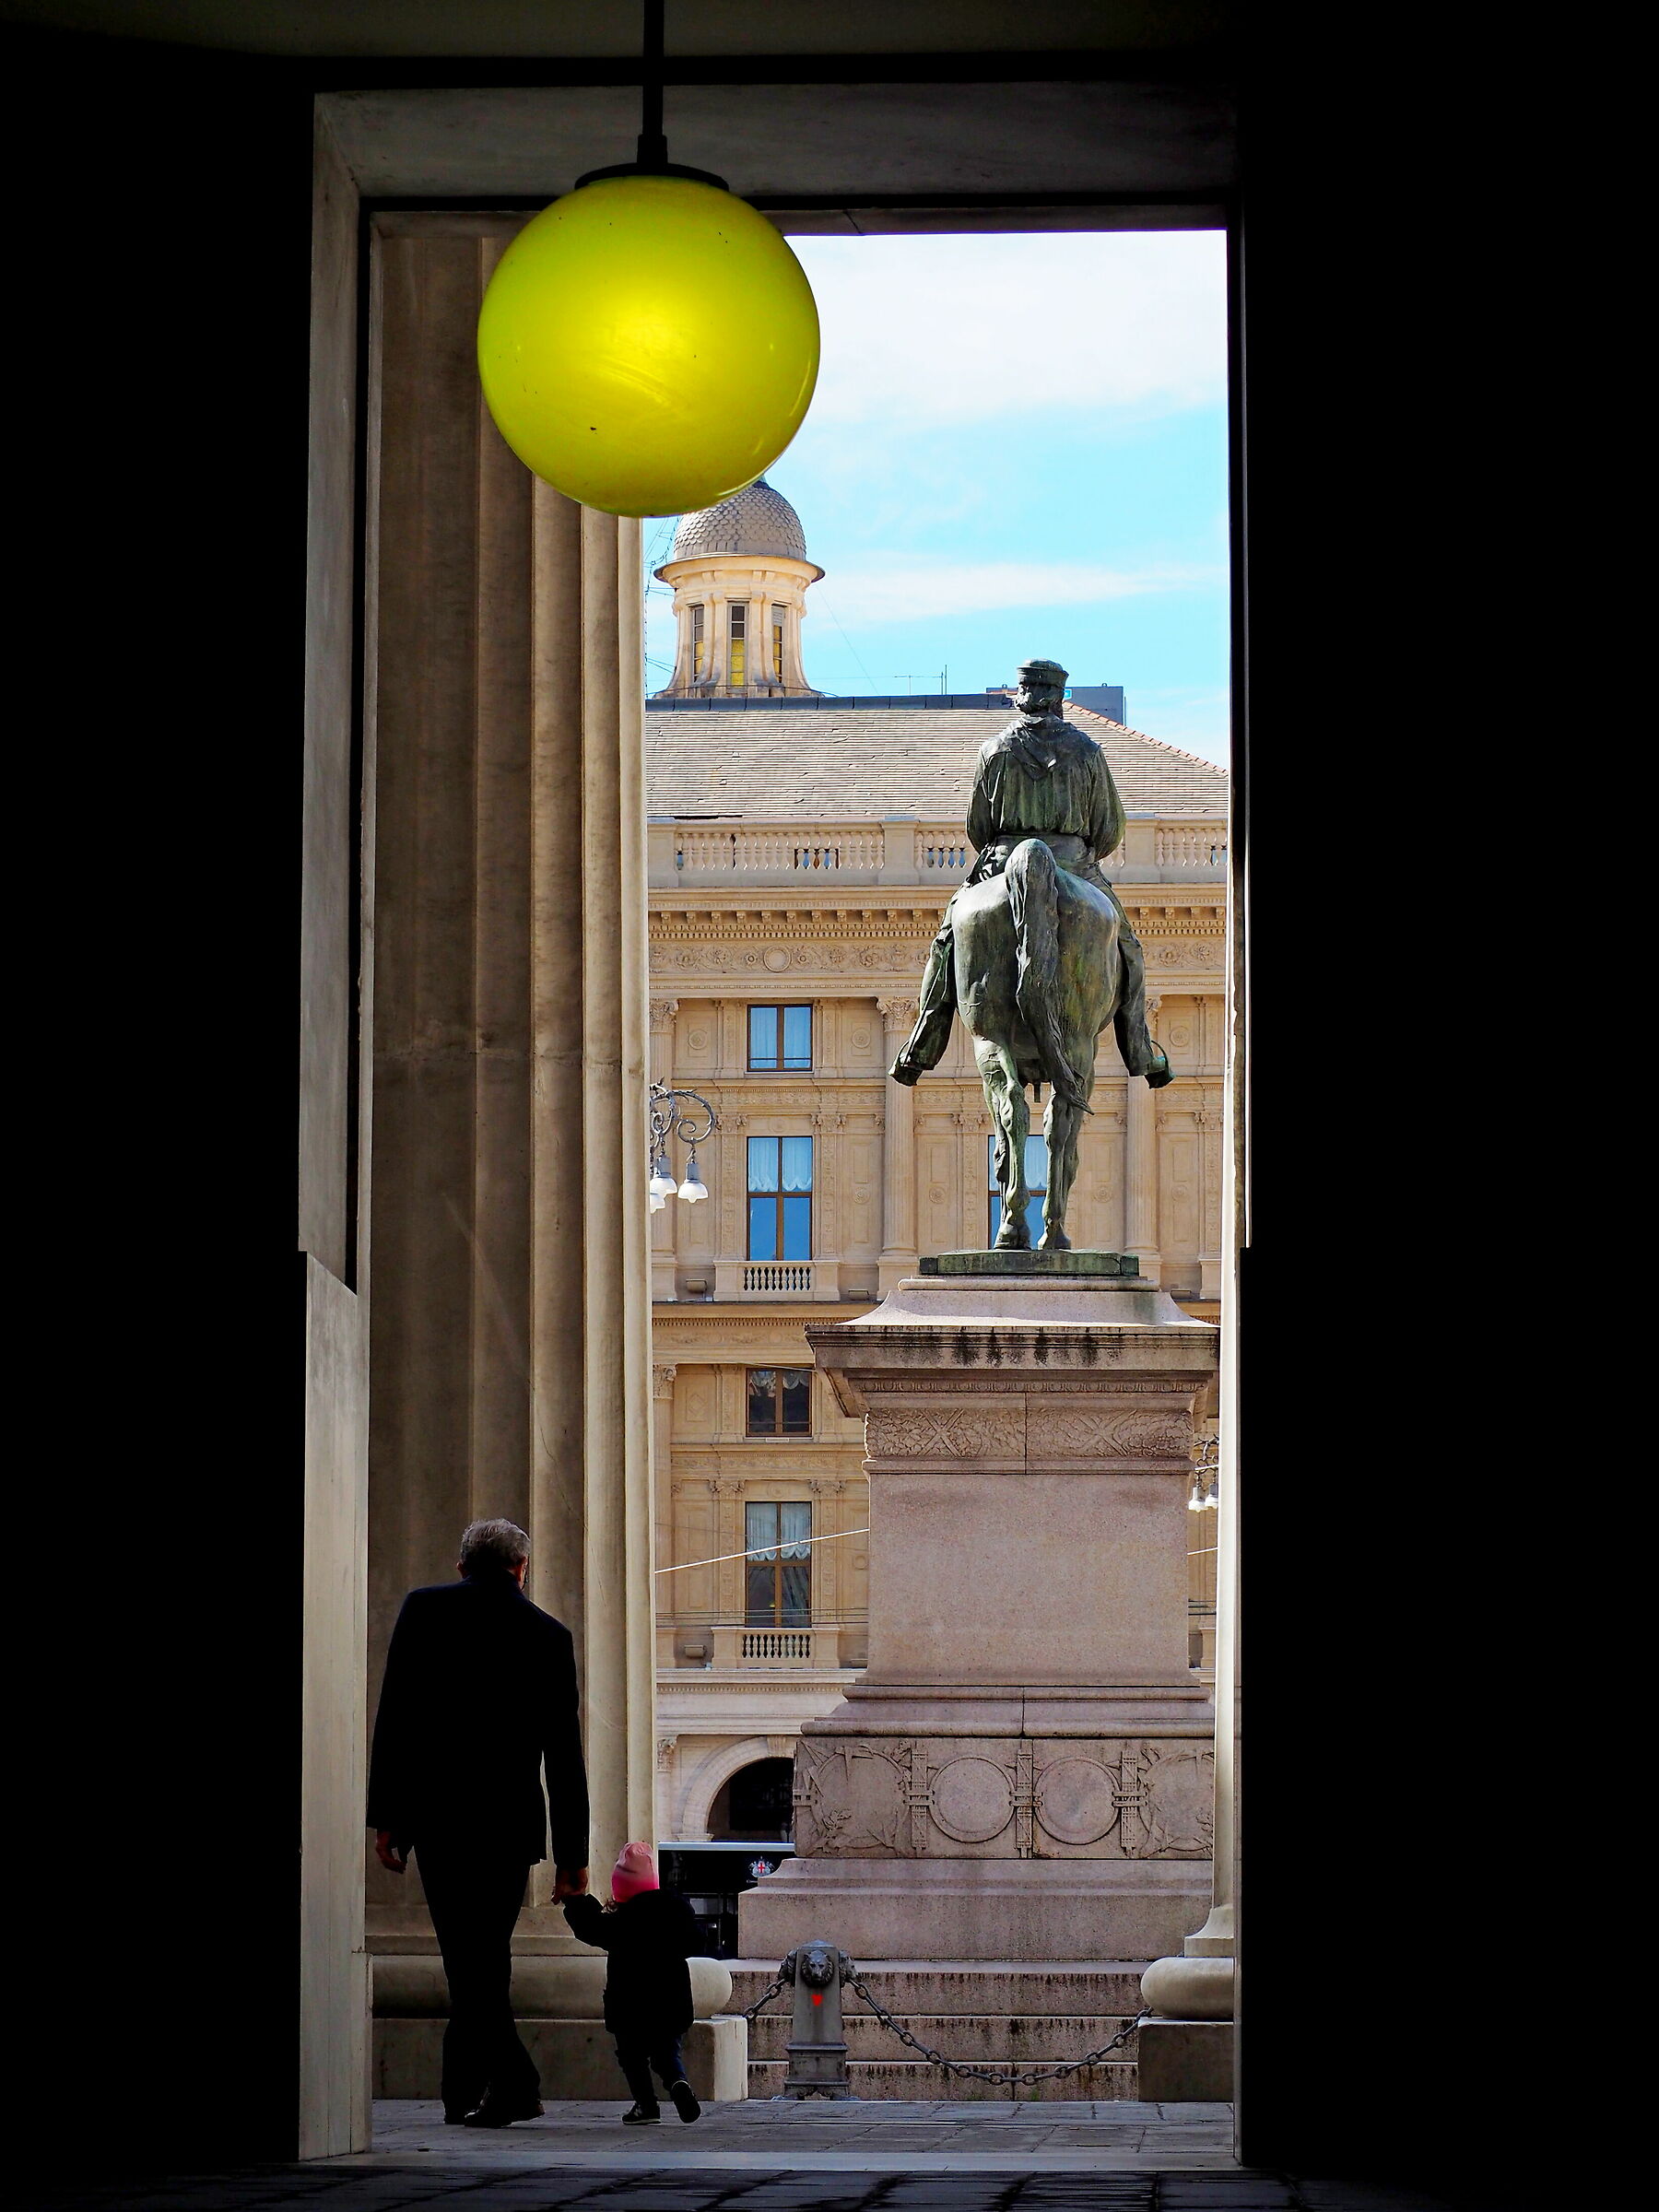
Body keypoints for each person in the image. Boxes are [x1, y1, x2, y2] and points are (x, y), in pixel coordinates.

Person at [368, 1518, 590, 2127]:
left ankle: (502, 2085)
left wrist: (388, 1818)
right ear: (522, 1569)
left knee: (467, 1958)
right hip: (507, 1826)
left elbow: (398, 1719)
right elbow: (563, 1756)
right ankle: (471, 2088)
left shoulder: (425, 1610)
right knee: (484, 1956)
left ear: (463, 1565)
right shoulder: (548, 1634)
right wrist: (574, 1855)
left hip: (439, 1818)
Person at [890, 657, 1172, 1090]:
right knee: (1127, 948)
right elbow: (1109, 827)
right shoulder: (1087, 751)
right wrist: (1081, 855)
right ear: (1059, 698)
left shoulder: (996, 749)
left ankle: (921, 1046)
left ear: (1021, 696)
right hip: (1073, 863)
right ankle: (1140, 1048)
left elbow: (978, 827)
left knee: (946, 945)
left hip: (1002, 862)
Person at [564, 1841, 703, 2127]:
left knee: (632, 2056)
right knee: (666, 2051)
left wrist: (576, 1899)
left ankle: (646, 2105)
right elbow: (695, 1941)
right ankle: (677, 2081)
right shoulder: (677, 1911)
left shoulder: (624, 1921)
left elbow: (592, 1928)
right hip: (671, 1999)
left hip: (630, 2003)